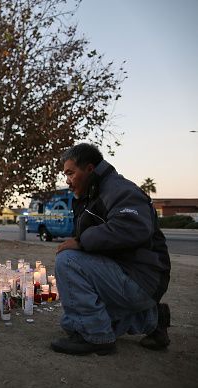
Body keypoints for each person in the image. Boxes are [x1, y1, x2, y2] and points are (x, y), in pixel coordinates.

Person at [50, 143, 171, 355]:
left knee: (67, 260)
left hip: (141, 279)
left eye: (70, 173)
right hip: (125, 274)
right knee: (71, 323)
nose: (67, 181)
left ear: (89, 169)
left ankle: (97, 337)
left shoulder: (119, 190)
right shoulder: (92, 194)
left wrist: (81, 242)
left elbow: (132, 226)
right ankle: (152, 319)